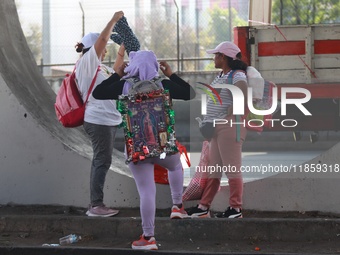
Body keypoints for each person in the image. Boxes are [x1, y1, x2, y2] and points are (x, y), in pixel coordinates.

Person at [92, 50, 196, 250]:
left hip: (137, 148)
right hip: (164, 144)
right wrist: (171, 75)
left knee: (147, 191)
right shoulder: (163, 84)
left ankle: (148, 237)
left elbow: (98, 93)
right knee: (175, 166)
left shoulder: (125, 85)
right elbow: (190, 93)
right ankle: (177, 206)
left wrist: (118, 74)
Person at [186, 41, 248, 219]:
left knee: (232, 169)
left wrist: (236, 106)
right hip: (216, 129)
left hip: (228, 127)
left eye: (216, 55)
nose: (213, 58)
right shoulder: (222, 75)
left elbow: (243, 88)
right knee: (213, 170)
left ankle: (236, 209)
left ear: (223, 57)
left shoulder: (236, 75)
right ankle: (203, 207)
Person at [74, 11, 126, 217]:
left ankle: (96, 204)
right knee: (102, 160)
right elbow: (103, 39)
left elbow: (115, 73)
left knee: (102, 160)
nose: (105, 51)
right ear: (95, 47)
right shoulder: (87, 63)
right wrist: (112, 20)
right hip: (98, 120)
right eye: (103, 47)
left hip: (108, 120)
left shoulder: (98, 68)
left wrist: (122, 52)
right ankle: (96, 205)